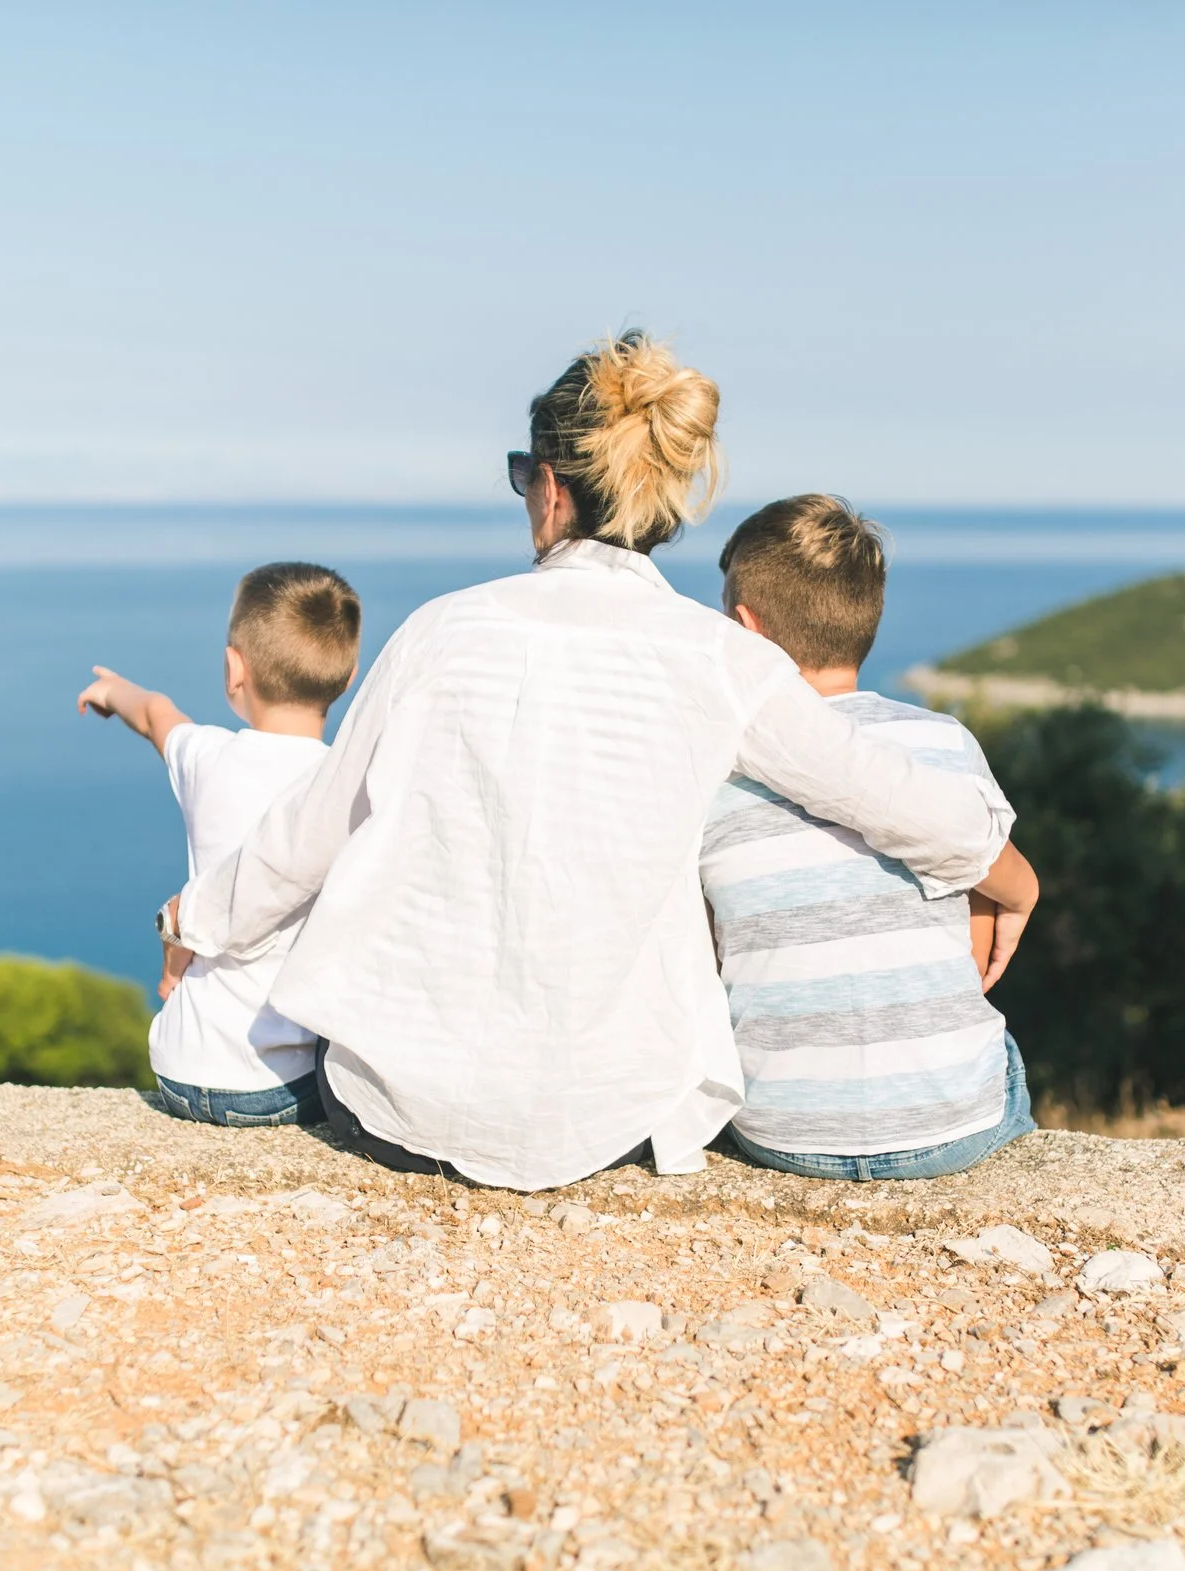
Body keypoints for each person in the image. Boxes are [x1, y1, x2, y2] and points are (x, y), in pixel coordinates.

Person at [163, 332, 1020, 1191]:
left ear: (550, 490)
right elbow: (902, 801)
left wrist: (190, 923)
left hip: (397, 1109)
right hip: (611, 1118)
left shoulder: (441, 629)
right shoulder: (723, 660)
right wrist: (1012, 881)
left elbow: (309, 836)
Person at [701, 495, 1039, 1180]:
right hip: (953, 1128)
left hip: (783, 1130)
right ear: (866, 620)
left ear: (746, 630)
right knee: (993, 1055)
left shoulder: (713, 770)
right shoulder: (943, 742)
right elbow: (975, 956)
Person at [78, 562, 361, 1126]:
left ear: (235, 669)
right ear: (347, 675)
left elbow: (158, 715)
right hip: (284, 1086)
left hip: (181, 1071)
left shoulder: (207, 759)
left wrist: (112, 689)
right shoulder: (346, 789)